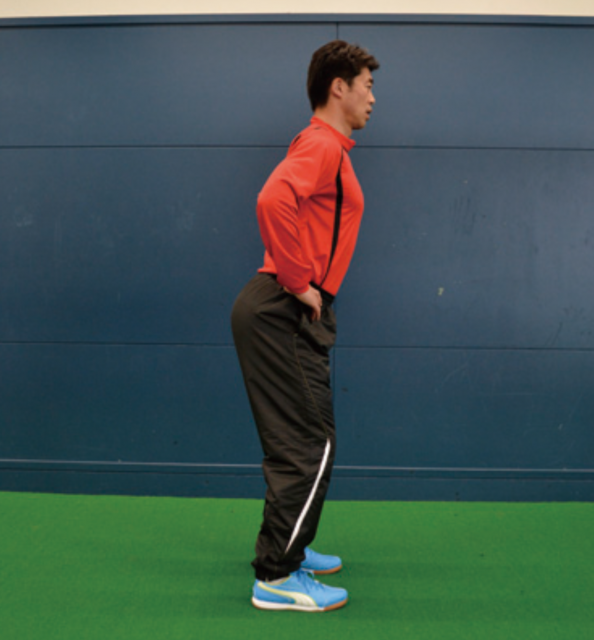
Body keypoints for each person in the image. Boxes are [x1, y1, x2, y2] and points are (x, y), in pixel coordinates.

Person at [231, 40, 379, 612]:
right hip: (283, 310)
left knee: (298, 442)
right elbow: (272, 199)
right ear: (338, 87)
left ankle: (291, 545)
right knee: (309, 444)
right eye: (367, 85)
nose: (373, 97)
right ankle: (277, 574)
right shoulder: (321, 144)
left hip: (278, 309)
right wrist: (298, 282)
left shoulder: (323, 145)